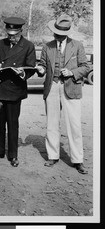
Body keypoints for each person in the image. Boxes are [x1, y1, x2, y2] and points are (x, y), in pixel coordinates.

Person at [36, 14, 90, 174]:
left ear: (67, 33)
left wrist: (72, 72)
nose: (58, 36)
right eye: (56, 33)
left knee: (74, 125)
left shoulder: (78, 45)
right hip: (52, 86)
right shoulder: (47, 46)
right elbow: (43, 65)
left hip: (71, 87)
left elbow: (85, 66)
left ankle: (77, 160)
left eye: (61, 34)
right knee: (52, 123)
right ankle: (52, 156)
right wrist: (41, 69)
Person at [0, 17, 36, 167]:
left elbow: (31, 67)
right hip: (0, 89)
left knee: (13, 123)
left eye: (14, 34)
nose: (11, 37)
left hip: (15, 90)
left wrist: (23, 73)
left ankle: (13, 155)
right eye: (9, 34)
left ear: (21, 31)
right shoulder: (0, 44)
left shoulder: (28, 46)